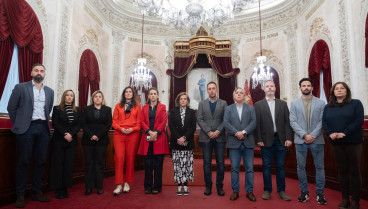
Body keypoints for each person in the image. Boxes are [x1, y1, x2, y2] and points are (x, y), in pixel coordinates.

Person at [7, 63, 54, 208]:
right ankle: (20, 195)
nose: (39, 72)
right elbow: (11, 107)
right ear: (31, 73)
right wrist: (19, 124)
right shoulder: (21, 87)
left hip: (43, 129)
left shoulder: (50, 92)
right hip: (26, 129)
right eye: (36, 70)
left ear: (44, 74)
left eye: (41, 71)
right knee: (23, 162)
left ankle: (36, 192)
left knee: (40, 162)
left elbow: (49, 109)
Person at [322, 82, 364, 209]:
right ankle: (345, 199)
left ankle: (356, 201)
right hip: (336, 143)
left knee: (355, 171)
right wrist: (330, 133)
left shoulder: (356, 103)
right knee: (342, 171)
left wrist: (344, 133)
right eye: (337, 89)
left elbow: (359, 120)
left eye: (342, 88)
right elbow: (324, 122)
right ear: (333, 92)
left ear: (347, 91)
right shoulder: (328, 107)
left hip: (353, 142)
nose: (339, 90)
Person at [289, 78, 327, 204]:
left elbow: (323, 121)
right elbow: (293, 121)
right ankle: (304, 192)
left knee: (320, 167)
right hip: (300, 141)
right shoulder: (294, 104)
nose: (306, 87)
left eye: (308, 85)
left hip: (317, 140)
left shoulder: (321, 103)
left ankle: (320, 194)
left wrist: (312, 135)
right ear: (300, 88)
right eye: (303, 86)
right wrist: (305, 135)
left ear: (312, 87)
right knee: (301, 167)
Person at [254, 80, 292, 201]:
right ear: (264, 89)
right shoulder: (258, 105)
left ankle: (281, 190)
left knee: (280, 166)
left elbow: (287, 122)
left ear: (275, 88)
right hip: (265, 140)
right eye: (267, 86)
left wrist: (288, 138)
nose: (269, 88)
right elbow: (257, 124)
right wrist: (258, 139)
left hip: (280, 139)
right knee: (266, 166)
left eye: (271, 86)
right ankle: (267, 190)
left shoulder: (283, 104)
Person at [224, 87, 257, 201]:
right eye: (236, 93)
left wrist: (243, 132)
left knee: (249, 168)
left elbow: (254, 122)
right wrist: (236, 133)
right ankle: (235, 191)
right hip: (234, 142)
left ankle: (249, 191)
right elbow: (226, 123)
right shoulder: (228, 109)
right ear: (233, 96)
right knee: (234, 168)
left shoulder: (250, 108)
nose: (239, 94)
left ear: (244, 96)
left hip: (248, 142)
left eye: (241, 93)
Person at [197, 81, 227, 196]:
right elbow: (199, 119)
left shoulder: (223, 103)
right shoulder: (202, 103)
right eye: (209, 89)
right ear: (207, 90)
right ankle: (208, 186)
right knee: (207, 163)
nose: (211, 90)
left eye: (213, 88)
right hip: (206, 137)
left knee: (220, 163)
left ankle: (220, 187)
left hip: (219, 137)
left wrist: (218, 131)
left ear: (216, 89)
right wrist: (209, 131)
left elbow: (226, 119)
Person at [50, 89, 81, 199]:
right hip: (59, 140)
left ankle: (65, 188)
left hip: (71, 141)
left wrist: (71, 135)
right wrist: (65, 134)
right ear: (64, 97)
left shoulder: (77, 110)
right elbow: (55, 123)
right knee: (58, 165)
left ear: (73, 98)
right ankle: (58, 189)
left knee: (68, 165)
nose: (69, 97)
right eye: (67, 95)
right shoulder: (57, 108)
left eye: (71, 95)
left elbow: (78, 125)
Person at [137, 87, 170, 194]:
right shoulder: (144, 107)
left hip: (159, 137)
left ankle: (157, 187)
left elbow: (164, 120)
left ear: (157, 95)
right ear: (148, 96)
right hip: (147, 138)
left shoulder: (162, 107)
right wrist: (149, 131)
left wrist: (155, 132)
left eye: (154, 94)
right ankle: (147, 186)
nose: (153, 95)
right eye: (151, 94)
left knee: (158, 164)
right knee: (148, 163)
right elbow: (142, 121)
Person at [112, 87, 141, 195]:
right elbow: (114, 122)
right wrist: (121, 129)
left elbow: (139, 124)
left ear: (133, 94)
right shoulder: (117, 106)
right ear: (124, 94)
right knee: (119, 158)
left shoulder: (138, 107)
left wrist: (132, 129)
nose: (128, 93)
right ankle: (119, 184)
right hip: (119, 134)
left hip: (132, 135)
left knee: (130, 158)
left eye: (130, 92)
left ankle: (127, 183)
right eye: (126, 92)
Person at [82, 90, 112, 195]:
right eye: (96, 96)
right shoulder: (86, 109)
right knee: (89, 164)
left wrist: (98, 135)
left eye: (100, 96)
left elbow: (108, 125)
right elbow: (83, 124)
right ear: (93, 98)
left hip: (102, 140)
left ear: (102, 99)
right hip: (88, 140)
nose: (98, 98)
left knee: (99, 164)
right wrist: (91, 135)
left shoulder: (107, 110)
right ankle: (88, 187)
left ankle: (99, 187)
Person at [169, 92, 196, 196]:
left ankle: (186, 185)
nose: (183, 100)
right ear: (178, 101)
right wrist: (179, 138)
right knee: (178, 165)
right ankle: (179, 186)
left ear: (188, 101)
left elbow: (193, 127)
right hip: (176, 143)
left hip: (188, 143)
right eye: (181, 99)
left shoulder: (191, 112)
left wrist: (184, 137)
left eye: (185, 99)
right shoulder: (173, 111)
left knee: (187, 165)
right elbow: (171, 126)